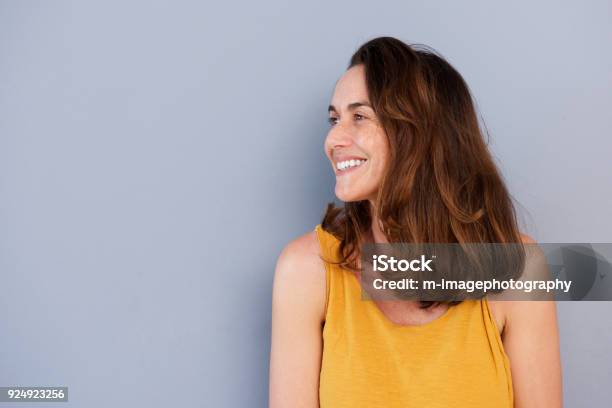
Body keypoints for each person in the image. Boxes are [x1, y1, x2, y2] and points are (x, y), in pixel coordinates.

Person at [269, 36, 562, 407]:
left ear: (420, 134)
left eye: (359, 116)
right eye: (334, 119)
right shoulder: (306, 271)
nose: (333, 139)